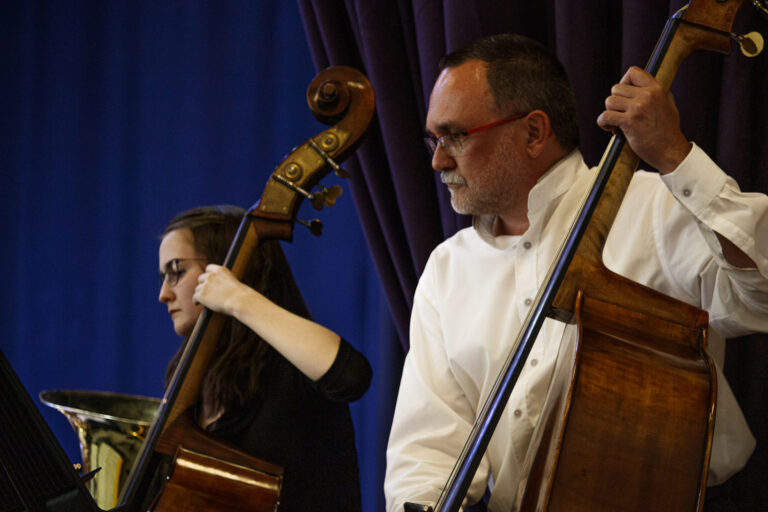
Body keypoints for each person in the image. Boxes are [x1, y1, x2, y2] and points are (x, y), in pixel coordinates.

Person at [384, 34, 768, 511]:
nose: (439, 160)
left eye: (455, 136)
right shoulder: (447, 268)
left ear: (533, 132)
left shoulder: (655, 207)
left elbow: (762, 298)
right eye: (433, 140)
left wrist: (675, 156)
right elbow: (426, 451)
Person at [158, 204, 372, 511]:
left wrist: (235, 296)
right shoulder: (189, 376)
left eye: (176, 271)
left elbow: (352, 376)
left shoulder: (288, 360)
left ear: (221, 269)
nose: (163, 293)